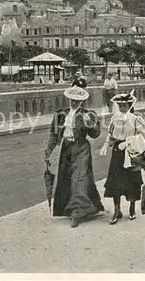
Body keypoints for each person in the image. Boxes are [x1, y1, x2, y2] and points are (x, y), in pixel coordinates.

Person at [44, 86, 104, 228]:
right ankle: (76, 208)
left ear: (82, 101)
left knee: (79, 179)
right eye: (73, 100)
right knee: (66, 179)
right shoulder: (60, 114)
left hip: (81, 147)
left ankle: (77, 213)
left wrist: (91, 124)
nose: (74, 102)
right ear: (69, 99)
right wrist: (49, 150)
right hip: (66, 148)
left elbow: (95, 134)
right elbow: (53, 134)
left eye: (78, 100)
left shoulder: (88, 114)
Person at [100, 91, 145, 224]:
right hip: (117, 151)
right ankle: (117, 210)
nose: (121, 108)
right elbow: (111, 134)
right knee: (115, 181)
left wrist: (128, 142)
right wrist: (106, 144)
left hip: (131, 152)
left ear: (129, 106)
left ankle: (132, 207)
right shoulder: (114, 119)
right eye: (119, 105)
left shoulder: (135, 119)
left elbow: (144, 136)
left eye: (124, 105)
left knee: (131, 180)